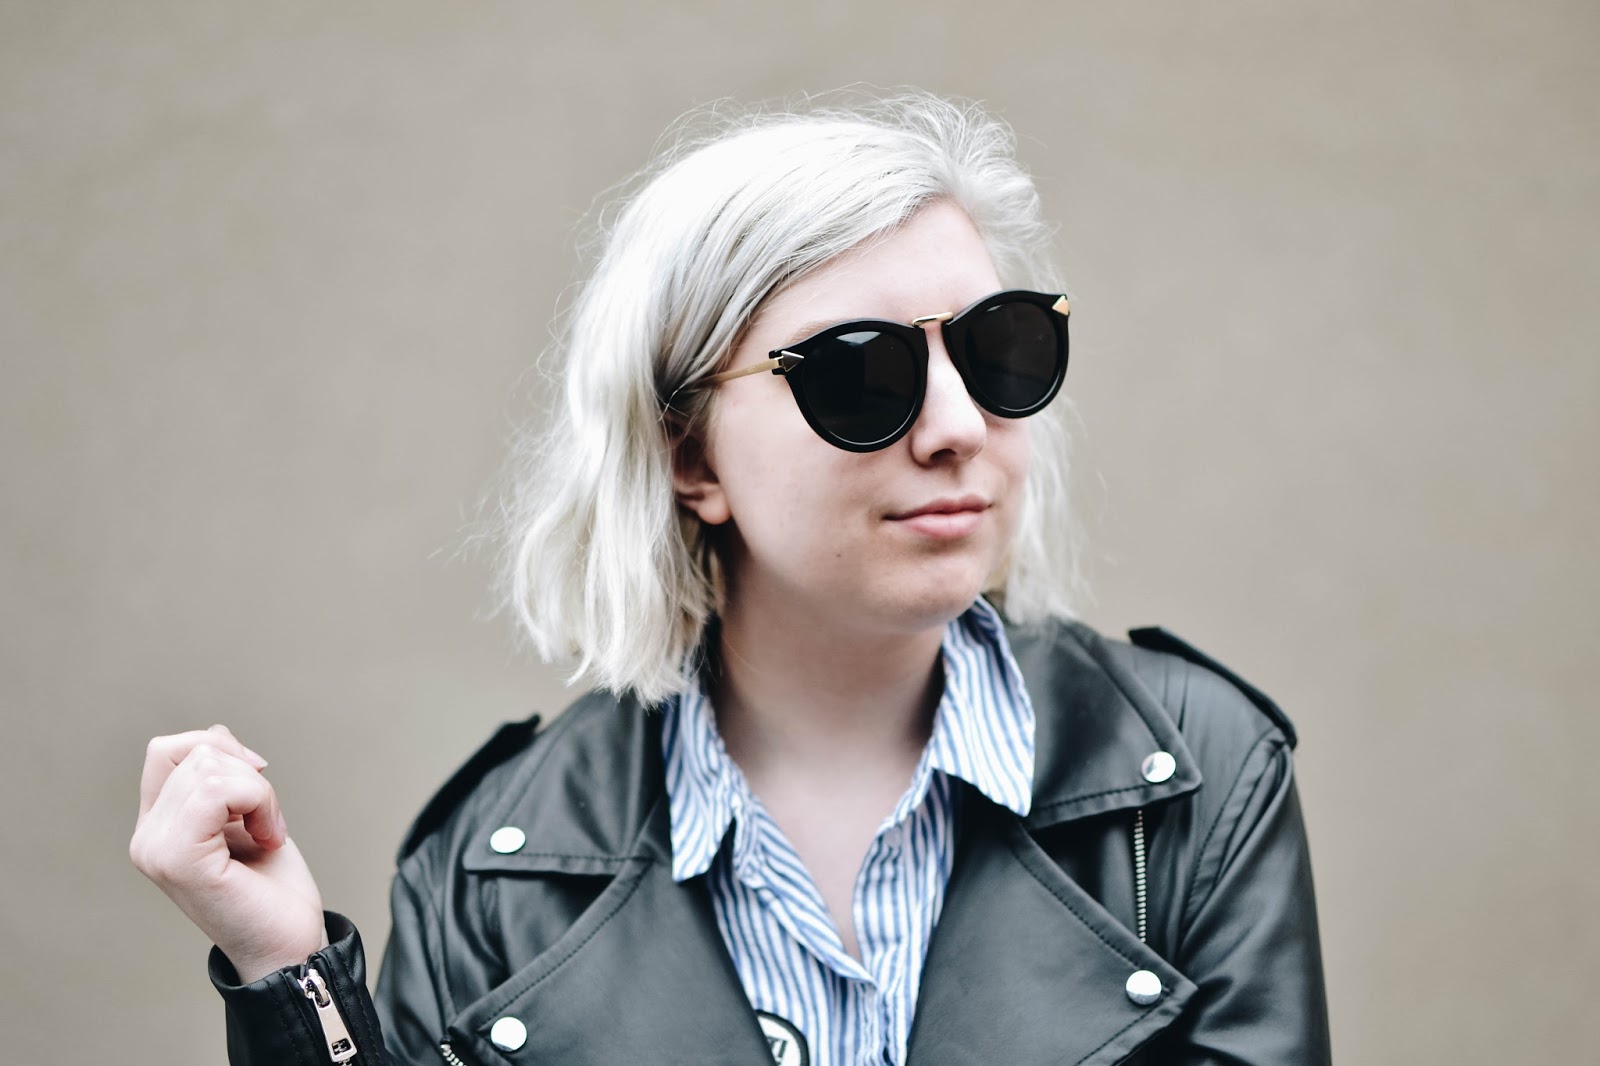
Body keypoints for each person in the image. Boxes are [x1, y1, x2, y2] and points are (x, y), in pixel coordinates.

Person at [131, 92, 1330, 1065]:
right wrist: (289, 970)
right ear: (689, 455)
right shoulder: (494, 868)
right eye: (861, 375)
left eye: (998, 349)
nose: (958, 425)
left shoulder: (1196, 778)